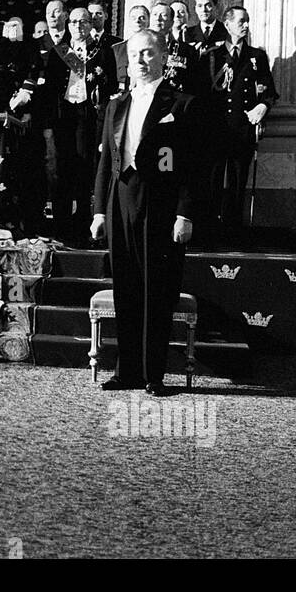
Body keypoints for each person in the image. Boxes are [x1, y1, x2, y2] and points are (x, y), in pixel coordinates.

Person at [90, 30, 206, 396]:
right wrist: (99, 212)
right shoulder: (116, 105)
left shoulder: (182, 104)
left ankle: (154, 375)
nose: (141, 60)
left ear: (163, 56)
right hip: (120, 199)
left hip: (161, 204)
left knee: (156, 290)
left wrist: (185, 214)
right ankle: (127, 372)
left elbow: (193, 166)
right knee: (125, 289)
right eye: (136, 53)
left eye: (149, 53)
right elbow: (106, 162)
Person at [31, 5, 118, 243]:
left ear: (91, 25)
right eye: (74, 22)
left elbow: (110, 86)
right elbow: (48, 92)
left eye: (84, 22)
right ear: (68, 26)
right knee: (61, 171)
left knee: (84, 170)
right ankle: (61, 227)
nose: (78, 27)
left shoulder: (102, 51)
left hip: (88, 117)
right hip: (63, 117)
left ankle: (83, 226)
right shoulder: (59, 53)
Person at [209, 7, 278, 227]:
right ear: (227, 25)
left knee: (238, 181)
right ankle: (211, 228)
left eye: (247, 21)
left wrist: (263, 107)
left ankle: (233, 230)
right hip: (217, 128)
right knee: (214, 180)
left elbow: (269, 91)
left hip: (243, 128)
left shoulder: (256, 56)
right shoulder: (213, 55)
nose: (246, 25)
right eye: (241, 21)